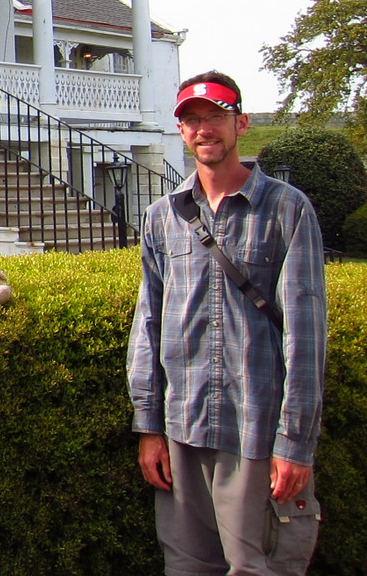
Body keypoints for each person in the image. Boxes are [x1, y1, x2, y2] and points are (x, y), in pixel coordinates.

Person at [128, 71, 326, 574]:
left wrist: (296, 443)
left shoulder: (286, 209)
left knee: (256, 567)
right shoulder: (161, 217)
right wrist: (148, 426)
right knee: (187, 567)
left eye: (215, 116)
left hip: (255, 430)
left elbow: (306, 336)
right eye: (191, 120)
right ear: (181, 131)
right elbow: (147, 326)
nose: (204, 129)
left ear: (241, 122)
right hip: (182, 428)